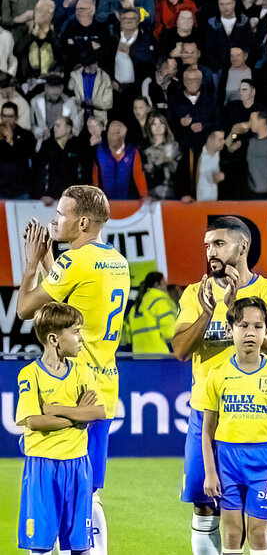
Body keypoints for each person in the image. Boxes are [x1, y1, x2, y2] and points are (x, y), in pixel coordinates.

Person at [13, 185, 127, 554]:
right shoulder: (116, 260)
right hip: (105, 386)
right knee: (88, 488)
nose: (55, 219)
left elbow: (26, 309)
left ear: (81, 222)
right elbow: (70, 300)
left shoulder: (74, 261)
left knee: (67, 492)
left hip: (74, 386)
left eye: (61, 214)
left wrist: (32, 263)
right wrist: (51, 261)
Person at [171, 215, 267, 555]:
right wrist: (207, 314)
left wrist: (232, 309)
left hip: (258, 415)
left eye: (219, 243)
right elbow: (180, 350)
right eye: (207, 244)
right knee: (205, 503)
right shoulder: (195, 293)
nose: (210, 250)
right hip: (208, 413)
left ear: (243, 246)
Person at [198, 296, 267, 555]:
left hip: (264, 461)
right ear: (230, 331)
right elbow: (207, 431)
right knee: (231, 533)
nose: (250, 333)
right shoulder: (217, 374)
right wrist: (210, 472)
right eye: (243, 326)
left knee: (258, 535)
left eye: (257, 326)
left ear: (266, 331)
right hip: (228, 461)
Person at [16, 302, 106, 555]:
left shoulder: (82, 372)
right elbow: (34, 421)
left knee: (79, 546)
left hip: (78, 465)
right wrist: (79, 417)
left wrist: (58, 410)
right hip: (42, 467)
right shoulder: (29, 374)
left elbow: (98, 412)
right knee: (41, 547)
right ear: (54, 338)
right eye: (76, 332)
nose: (81, 339)